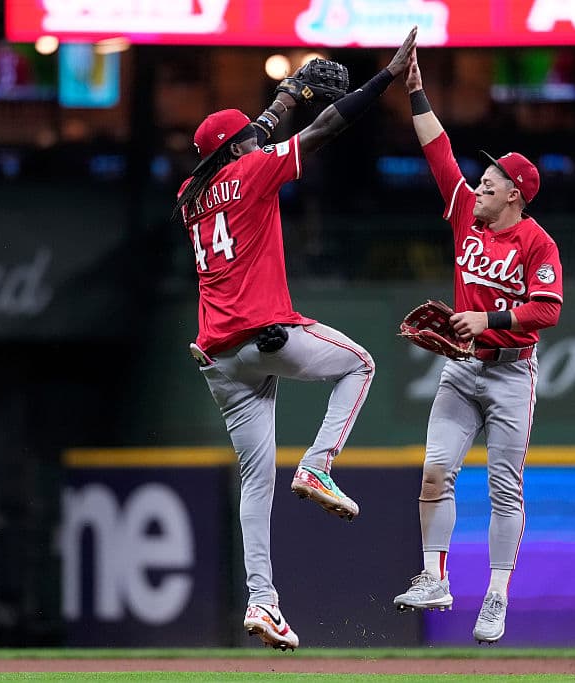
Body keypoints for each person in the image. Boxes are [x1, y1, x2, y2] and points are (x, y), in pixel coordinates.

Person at [174, 27, 418, 651]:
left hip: (219, 359)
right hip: (264, 333)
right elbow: (322, 131)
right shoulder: (252, 173)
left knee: (255, 482)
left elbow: (253, 133)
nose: (258, 139)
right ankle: (318, 465)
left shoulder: (190, 195)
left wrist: (287, 95)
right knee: (359, 365)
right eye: (247, 140)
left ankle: (263, 604)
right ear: (236, 150)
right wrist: (384, 79)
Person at [392, 49, 564, 645]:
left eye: (492, 180)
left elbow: (547, 310)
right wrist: (415, 90)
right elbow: (437, 149)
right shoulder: (466, 211)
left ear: (515, 195)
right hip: (462, 372)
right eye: (483, 178)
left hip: (511, 373)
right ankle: (435, 577)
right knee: (436, 470)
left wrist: (486, 316)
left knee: (503, 486)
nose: (480, 182)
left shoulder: (537, 243)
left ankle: (495, 595)